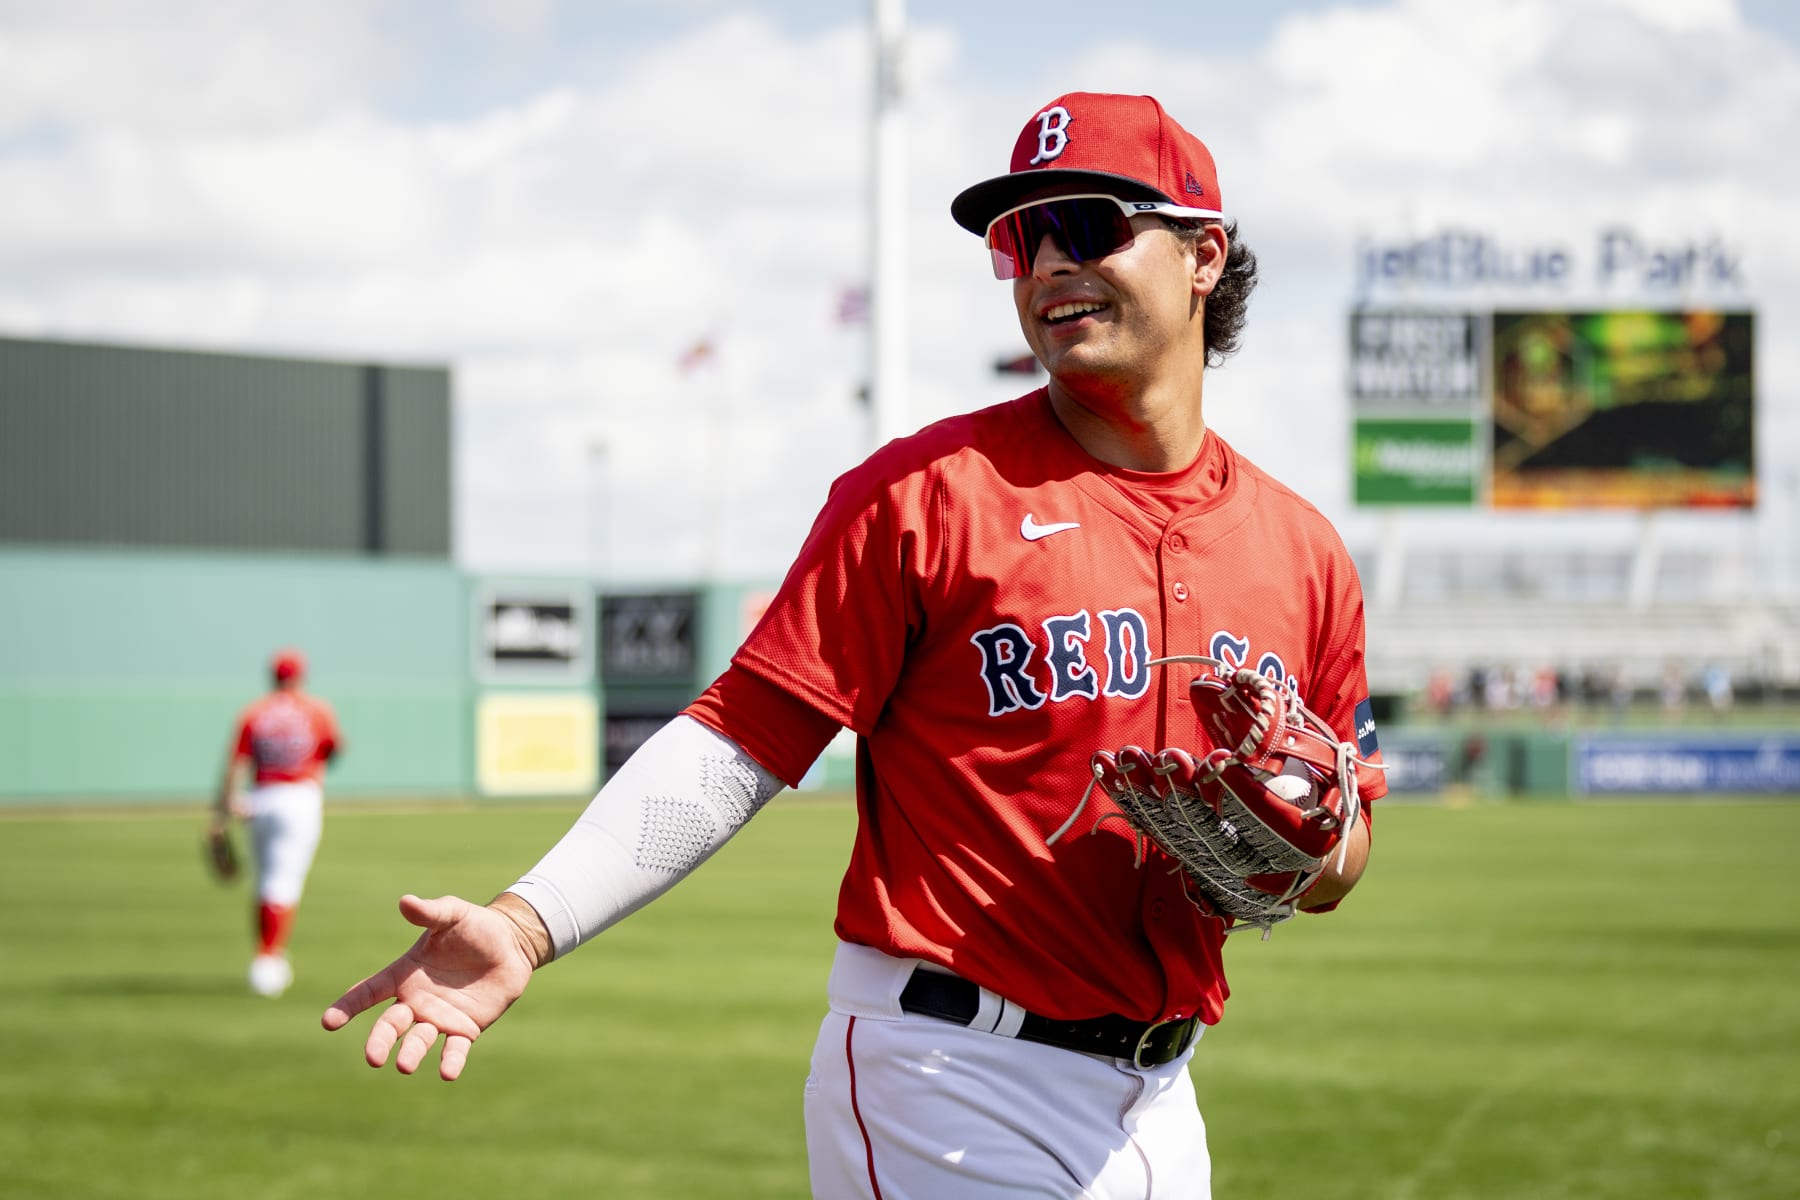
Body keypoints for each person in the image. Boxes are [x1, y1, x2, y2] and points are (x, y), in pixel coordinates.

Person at [322, 92, 1385, 1198]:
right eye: (1019, 237)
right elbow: (743, 736)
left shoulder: (1303, 551)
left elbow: (1343, 862)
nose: (1046, 264)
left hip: (1163, 1102)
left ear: (1205, 253)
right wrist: (528, 923)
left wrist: (1309, 845)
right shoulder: (924, 496)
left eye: (1089, 224)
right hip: (954, 1075)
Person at [214, 647, 342, 997]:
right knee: (282, 883)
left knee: (264, 881)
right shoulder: (317, 710)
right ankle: (267, 962)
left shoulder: (255, 712)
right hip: (299, 798)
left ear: (273, 675)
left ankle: (270, 955)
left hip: (259, 799)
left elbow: (235, 765)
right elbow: (333, 749)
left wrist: (221, 813)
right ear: (301, 676)